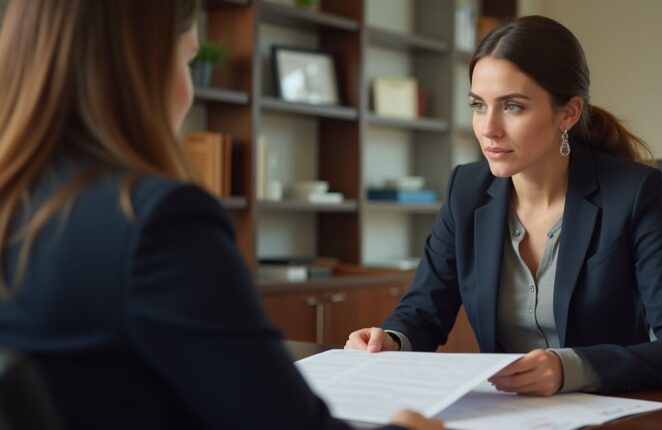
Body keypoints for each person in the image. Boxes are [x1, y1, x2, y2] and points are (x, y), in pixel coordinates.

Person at [0, 1, 443, 429]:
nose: (189, 90)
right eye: (188, 61)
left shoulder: (19, 206)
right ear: (144, 69)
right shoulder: (159, 220)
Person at [346, 15, 662, 396]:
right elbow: (422, 314)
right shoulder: (466, 191)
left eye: (512, 106)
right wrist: (390, 340)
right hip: (503, 411)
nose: (488, 128)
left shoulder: (634, 194)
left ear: (568, 114)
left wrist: (569, 368)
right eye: (478, 105)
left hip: (609, 409)